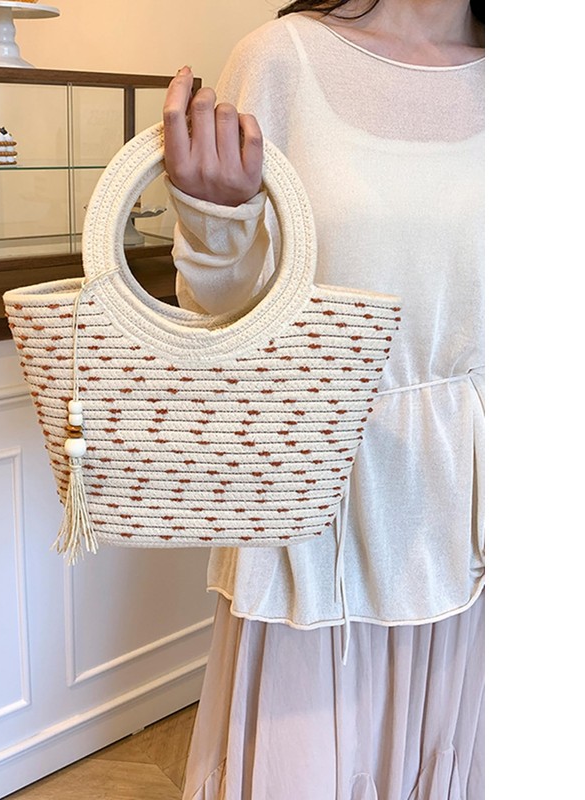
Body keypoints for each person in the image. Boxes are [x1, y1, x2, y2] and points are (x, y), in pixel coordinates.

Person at [161, 1, 485, 797]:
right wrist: (214, 225)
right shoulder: (281, 61)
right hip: (320, 511)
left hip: (478, 512)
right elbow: (227, 318)